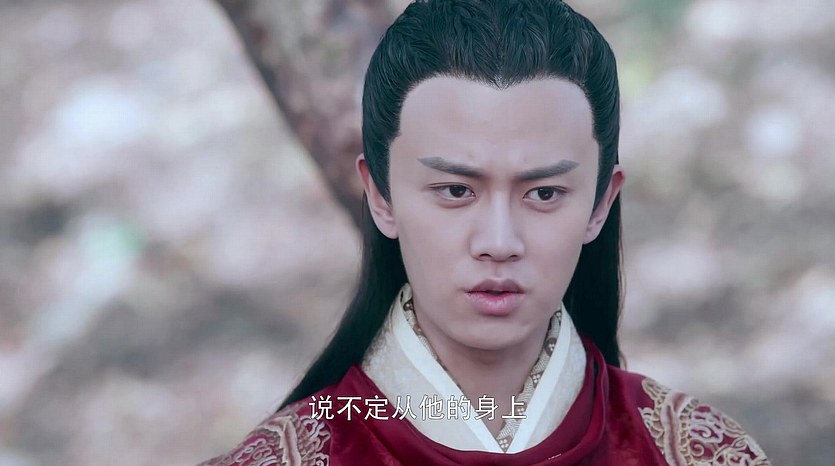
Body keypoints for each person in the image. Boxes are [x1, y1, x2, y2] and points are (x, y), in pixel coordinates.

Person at [200, 0, 770, 464]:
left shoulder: (698, 452)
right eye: (456, 191)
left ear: (601, 203)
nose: (499, 242)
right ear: (380, 195)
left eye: (543, 194)